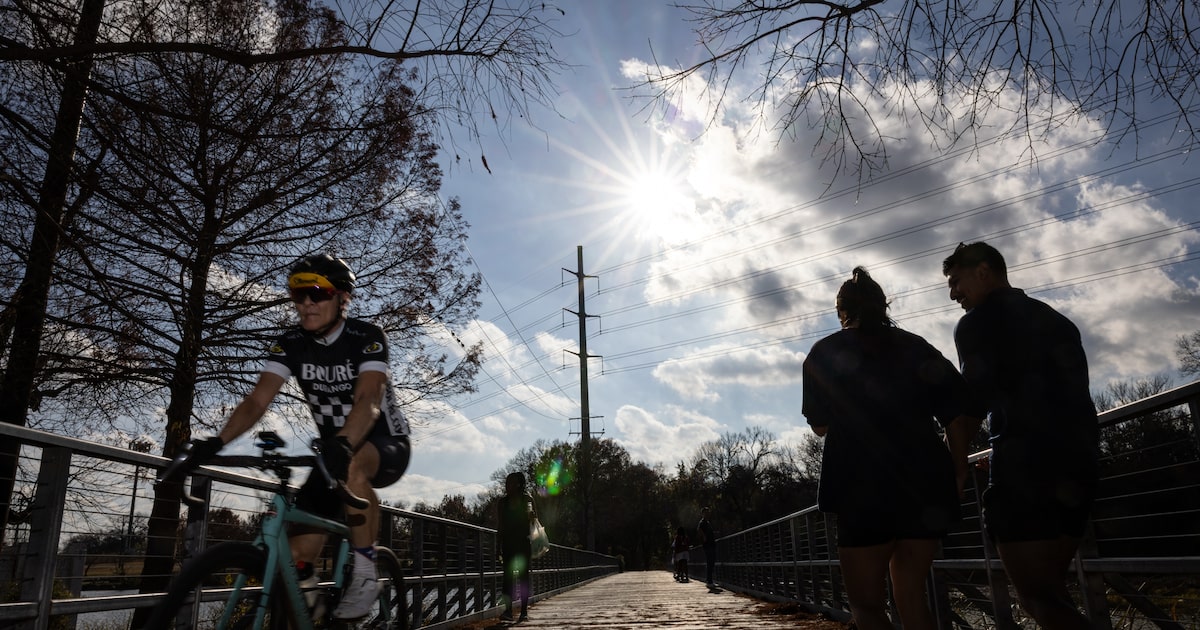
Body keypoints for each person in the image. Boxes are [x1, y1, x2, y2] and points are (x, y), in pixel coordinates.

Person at [185, 254, 412, 620]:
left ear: (342, 298)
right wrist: (216, 441)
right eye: (297, 295)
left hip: (384, 442)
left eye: (317, 294)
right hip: (333, 453)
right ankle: (313, 610)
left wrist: (342, 442)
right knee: (293, 557)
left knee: (352, 465)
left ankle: (367, 574)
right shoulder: (290, 343)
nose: (306, 304)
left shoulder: (365, 337)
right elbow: (258, 399)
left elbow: (368, 401)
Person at [802, 266, 982, 630]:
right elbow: (956, 413)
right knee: (911, 595)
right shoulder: (916, 347)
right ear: (884, 307)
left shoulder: (824, 353)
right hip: (924, 485)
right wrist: (958, 468)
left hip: (861, 487)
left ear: (842, 312)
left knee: (866, 606)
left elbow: (820, 426)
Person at [943, 242, 1099, 630]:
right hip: (1079, 466)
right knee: (1053, 591)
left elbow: (970, 406)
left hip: (1026, 471)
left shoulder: (978, 322)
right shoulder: (1056, 319)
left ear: (983, 271)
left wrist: (956, 468)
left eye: (956, 281)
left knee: (1038, 598)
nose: (953, 294)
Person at [497, 471, 536, 622]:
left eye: (511, 483)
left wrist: (532, 516)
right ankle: (508, 611)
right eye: (507, 483)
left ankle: (524, 612)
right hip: (508, 544)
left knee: (523, 578)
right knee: (507, 579)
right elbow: (500, 526)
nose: (508, 486)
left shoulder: (527, 499)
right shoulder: (503, 502)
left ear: (519, 484)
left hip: (523, 544)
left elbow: (534, 521)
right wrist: (497, 547)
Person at [696, 507, 716, 585]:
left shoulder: (707, 522)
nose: (708, 514)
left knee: (712, 562)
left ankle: (709, 579)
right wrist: (704, 536)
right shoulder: (702, 522)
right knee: (710, 562)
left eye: (708, 512)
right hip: (707, 545)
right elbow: (699, 530)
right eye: (706, 512)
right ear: (703, 514)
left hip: (711, 543)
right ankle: (709, 581)